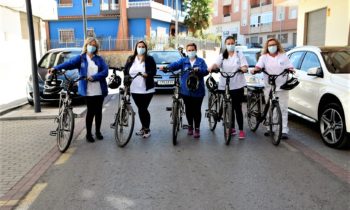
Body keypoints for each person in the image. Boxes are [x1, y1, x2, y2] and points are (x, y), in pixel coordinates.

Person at [49, 37, 108, 143]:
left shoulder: (99, 59)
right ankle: (89, 134)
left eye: (94, 45)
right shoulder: (81, 58)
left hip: (99, 89)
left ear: (96, 47)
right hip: (88, 90)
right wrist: (56, 68)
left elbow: (105, 72)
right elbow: (69, 63)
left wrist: (94, 77)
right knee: (91, 111)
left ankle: (98, 132)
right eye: (90, 44)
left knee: (98, 111)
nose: (92, 46)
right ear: (86, 45)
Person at [160, 43, 208, 138]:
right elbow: (175, 65)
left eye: (192, 50)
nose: (191, 52)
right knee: (189, 110)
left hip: (198, 90)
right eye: (189, 50)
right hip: (186, 90)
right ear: (187, 51)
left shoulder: (201, 61)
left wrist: (199, 70)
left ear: (196, 50)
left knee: (197, 110)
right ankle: (190, 126)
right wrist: (166, 68)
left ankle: (197, 129)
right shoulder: (183, 61)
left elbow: (206, 71)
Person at [251, 38, 294, 139]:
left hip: (282, 86)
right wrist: (255, 70)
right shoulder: (264, 57)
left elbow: (290, 66)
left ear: (277, 45)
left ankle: (283, 130)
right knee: (270, 108)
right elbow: (259, 66)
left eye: (274, 45)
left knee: (283, 108)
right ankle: (271, 129)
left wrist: (291, 70)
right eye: (270, 45)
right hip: (269, 86)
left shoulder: (283, 56)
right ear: (267, 47)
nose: (272, 47)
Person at [208, 36, 249, 139]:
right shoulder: (222, 55)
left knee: (237, 108)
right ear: (225, 45)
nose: (230, 45)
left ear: (235, 44)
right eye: (228, 43)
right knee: (228, 106)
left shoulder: (239, 54)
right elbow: (216, 64)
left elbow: (245, 66)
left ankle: (240, 130)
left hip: (237, 85)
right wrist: (212, 67)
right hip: (225, 84)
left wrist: (243, 68)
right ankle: (232, 127)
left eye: (232, 43)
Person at [124, 40, 157, 138]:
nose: (141, 48)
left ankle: (147, 129)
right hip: (134, 89)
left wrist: (148, 74)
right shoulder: (131, 59)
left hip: (147, 89)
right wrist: (126, 83)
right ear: (136, 48)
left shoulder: (150, 59)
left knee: (143, 108)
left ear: (146, 48)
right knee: (140, 109)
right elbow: (125, 71)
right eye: (139, 46)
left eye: (143, 47)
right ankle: (143, 127)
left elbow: (154, 71)